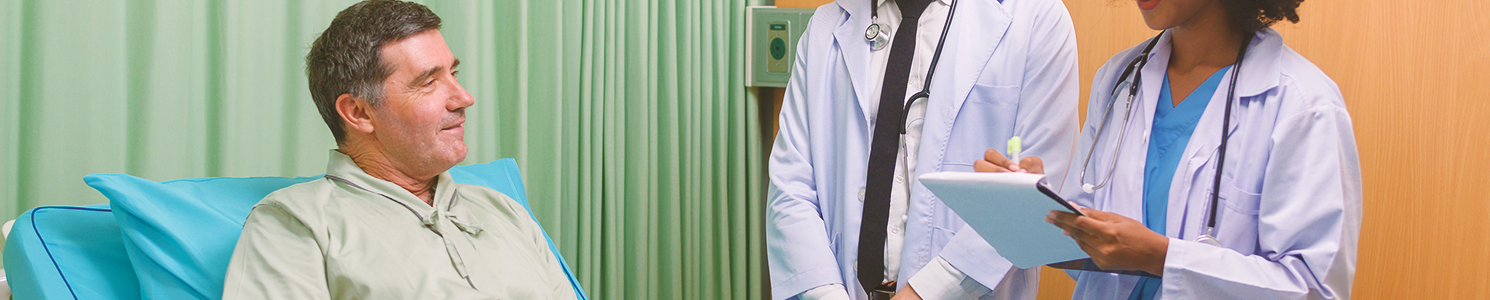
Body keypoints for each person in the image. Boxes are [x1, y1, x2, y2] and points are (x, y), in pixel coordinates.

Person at [977, 0, 1361, 298]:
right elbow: (1088, 255)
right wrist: (1029, 209)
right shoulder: (1119, 79)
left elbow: (1313, 289)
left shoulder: (1302, 104)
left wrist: (1161, 257)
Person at [221, 1, 577, 299]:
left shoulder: (502, 209)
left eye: (454, 74)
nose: (464, 98)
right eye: (429, 81)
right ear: (359, 113)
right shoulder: (296, 222)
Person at [765, 0, 1081, 298]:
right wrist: (826, 294)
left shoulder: (1036, 17)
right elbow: (790, 187)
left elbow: (1033, 196)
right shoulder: (827, 24)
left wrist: (923, 294)